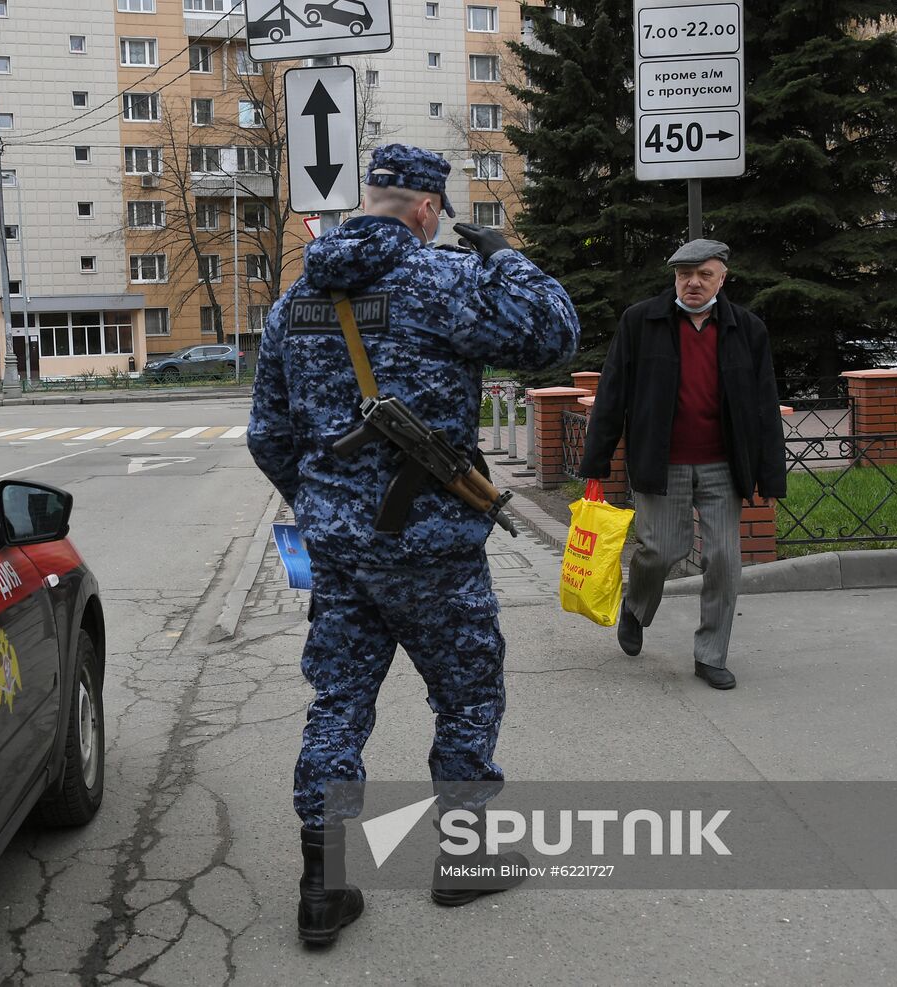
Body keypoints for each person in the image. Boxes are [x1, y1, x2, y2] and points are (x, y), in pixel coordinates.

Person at [248, 143, 579, 945]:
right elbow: (555, 336)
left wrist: (327, 506)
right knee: (465, 694)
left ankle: (322, 886)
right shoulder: (445, 280)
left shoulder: (297, 298)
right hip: (434, 552)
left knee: (338, 703)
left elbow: (267, 433)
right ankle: (464, 862)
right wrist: (505, 255)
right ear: (428, 210)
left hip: (339, 553)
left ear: (371, 200)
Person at [579, 239, 786, 691]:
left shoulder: (747, 329)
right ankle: (635, 608)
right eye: (684, 274)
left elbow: (764, 406)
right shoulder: (641, 321)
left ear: (722, 277)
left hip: (723, 465)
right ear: (674, 276)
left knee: (724, 561)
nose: (693, 282)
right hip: (662, 461)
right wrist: (596, 461)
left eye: (704, 274)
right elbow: (613, 393)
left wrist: (770, 473)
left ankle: (711, 654)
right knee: (660, 551)